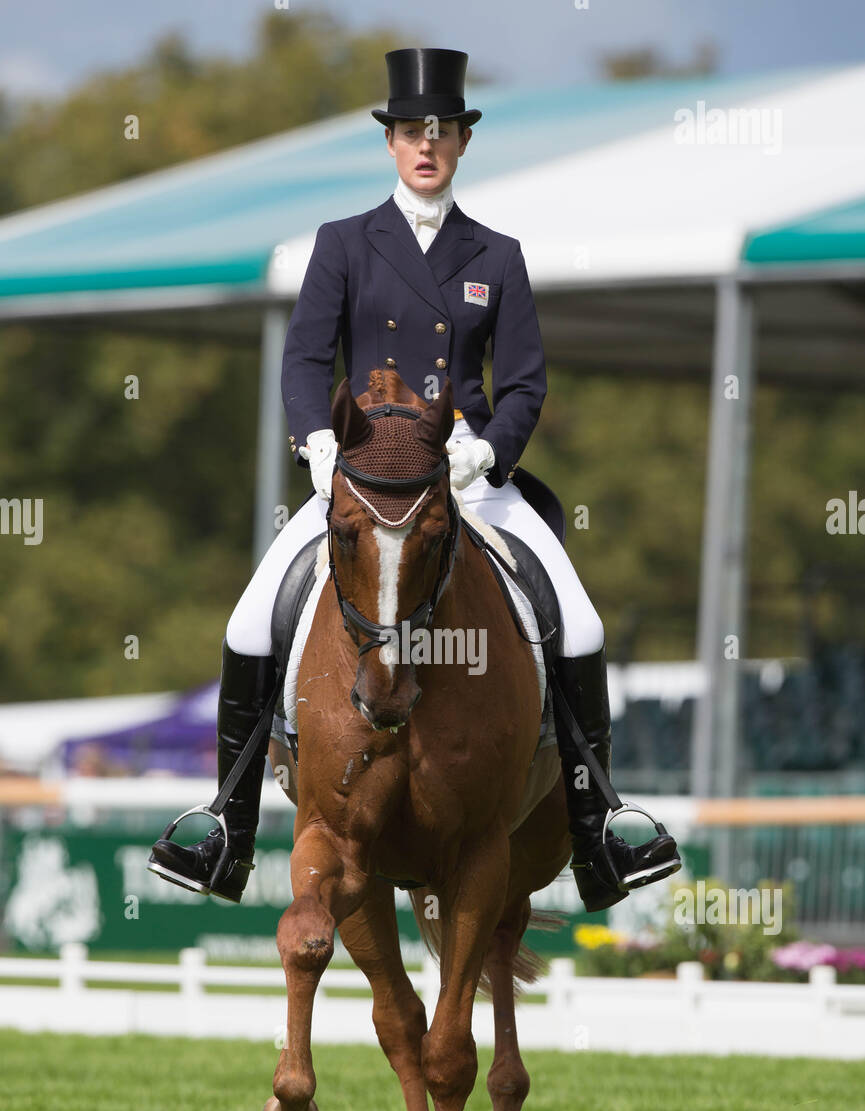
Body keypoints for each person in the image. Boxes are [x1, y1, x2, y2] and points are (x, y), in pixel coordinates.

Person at [148, 47, 679, 911]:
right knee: (251, 621)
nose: (424, 146)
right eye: (409, 132)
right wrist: (318, 441)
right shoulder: (344, 244)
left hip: (466, 471)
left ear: (461, 142)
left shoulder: (496, 255)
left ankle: (597, 834)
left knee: (576, 623)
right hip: (362, 472)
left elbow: (527, 382)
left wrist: (487, 451)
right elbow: (305, 360)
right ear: (392, 143)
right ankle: (226, 828)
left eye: (440, 132)